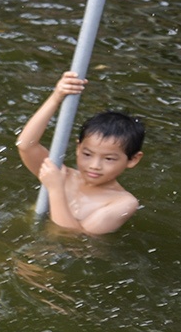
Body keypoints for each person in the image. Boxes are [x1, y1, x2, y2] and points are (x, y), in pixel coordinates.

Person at [17, 71, 143, 235]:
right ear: (78, 148)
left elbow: (71, 238)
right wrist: (56, 97)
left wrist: (56, 189)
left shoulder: (123, 203)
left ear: (133, 159)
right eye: (87, 154)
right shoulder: (64, 175)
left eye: (109, 159)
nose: (94, 165)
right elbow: (26, 145)